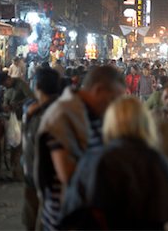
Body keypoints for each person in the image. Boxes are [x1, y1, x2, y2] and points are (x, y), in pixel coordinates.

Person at [59, 97, 168, 229]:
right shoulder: (158, 162)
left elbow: (71, 214)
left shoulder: (93, 160)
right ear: (146, 123)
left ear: (110, 123)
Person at [34, 66, 124, 230]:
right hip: (67, 219)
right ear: (98, 90)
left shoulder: (96, 116)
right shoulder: (62, 115)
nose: (112, 106)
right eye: (112, 99)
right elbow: (67, 174)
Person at [22, 68, 61, 230]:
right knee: (32, 212)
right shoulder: (34, 109)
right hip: (33, 172)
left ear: (37, 85)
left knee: (43, 217)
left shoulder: (48, 113)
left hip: (45, 175)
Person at [0, 71, 34, 181]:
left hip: (22, 119)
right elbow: (5, 100)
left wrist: (18, 104)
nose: (5, 86)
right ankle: (15, 173)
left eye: (5, 84)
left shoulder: (21, 84)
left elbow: (31, 98)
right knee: (13, 146)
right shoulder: (7, 89)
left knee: (20, 147)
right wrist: (5, 106)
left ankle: (20, 174)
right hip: (12, 120)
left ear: (8, 79)